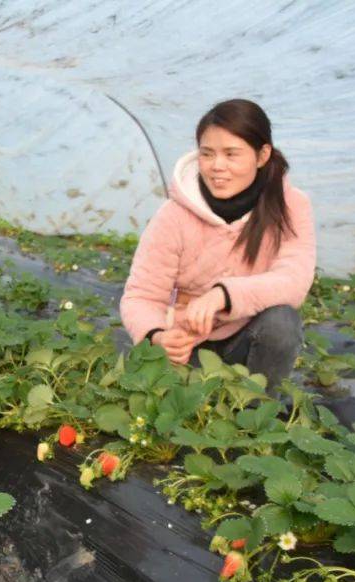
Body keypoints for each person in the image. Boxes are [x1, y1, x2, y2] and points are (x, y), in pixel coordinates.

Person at [120, 98, 315, 391]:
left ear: (262, 155)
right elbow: (142, 296)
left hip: (246, 343)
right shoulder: (174, 215)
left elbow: (294, 279)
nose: (217, 166)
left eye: (231, 154)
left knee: (281, 322)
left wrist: (222, 295)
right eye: (207, 154)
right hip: (187, 346)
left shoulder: (290, 206)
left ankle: (255, 413)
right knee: (159, 391)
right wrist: (158, 335)